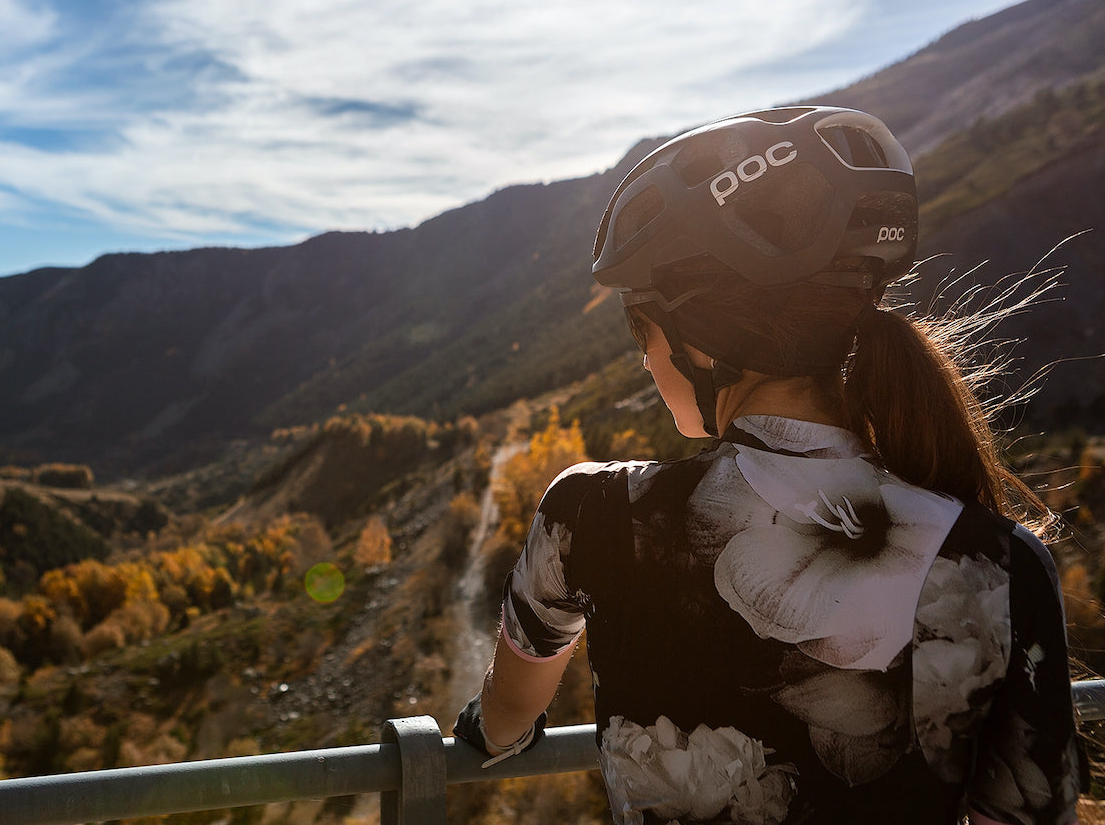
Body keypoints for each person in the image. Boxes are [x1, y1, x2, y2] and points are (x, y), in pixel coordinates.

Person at [453, 106, 1084, 824]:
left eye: (642, 334)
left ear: (695, 343)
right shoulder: (1004, 566)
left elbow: (506, 717)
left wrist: (484, 732)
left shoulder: (588, 516)